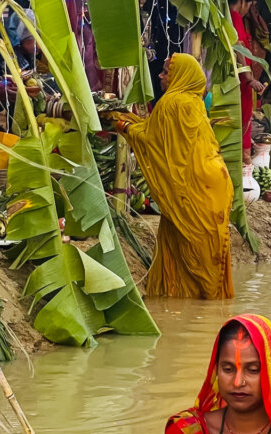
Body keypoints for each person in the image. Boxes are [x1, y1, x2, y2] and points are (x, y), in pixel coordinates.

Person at [116, 53, 233, 299]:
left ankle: (203, 307)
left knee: (196, 252)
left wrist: (124, 126)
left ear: (179, 76)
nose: (160, 76)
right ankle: (196, 304)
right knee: (203, 247)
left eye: (166, 72)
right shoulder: (195, 102)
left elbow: (152, 141)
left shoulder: (172, 103)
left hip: (195, 187)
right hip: (215, 183)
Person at [229, 0, 267, 163]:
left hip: (242, 81)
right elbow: (237, 46)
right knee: (242, 122)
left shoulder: (235, 17)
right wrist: (248, 77)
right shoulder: (235, 17)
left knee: (244, 121)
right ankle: (244, 165)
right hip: (241, 81)